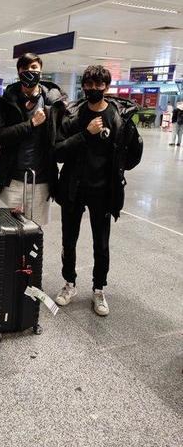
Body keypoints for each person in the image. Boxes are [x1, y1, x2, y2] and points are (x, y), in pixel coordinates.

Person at [54, 65, 143, 316]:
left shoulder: (119, 117)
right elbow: (58, 152)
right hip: (73, 188)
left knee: (101, 243)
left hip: (103, 191)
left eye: (99, 85)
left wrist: (118, 169)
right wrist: (85, 134)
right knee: (68, 240)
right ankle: (69, 283)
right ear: (83, 86)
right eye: (89, 84)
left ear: (107, 86)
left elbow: (134, 152)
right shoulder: (72, 115)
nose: (94, 89)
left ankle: (99, 288)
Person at [0, 53, 66, 225]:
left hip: (41, 182)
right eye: (25, 68)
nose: (30, 71)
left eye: (34, 68)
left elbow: (60, 137)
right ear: (18, 72)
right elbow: (0, 136)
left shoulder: (52, 104)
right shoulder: (7, 101)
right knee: (8, 231)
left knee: (35, 231)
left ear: (41, 71)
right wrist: (31, 124)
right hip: (11, 180)